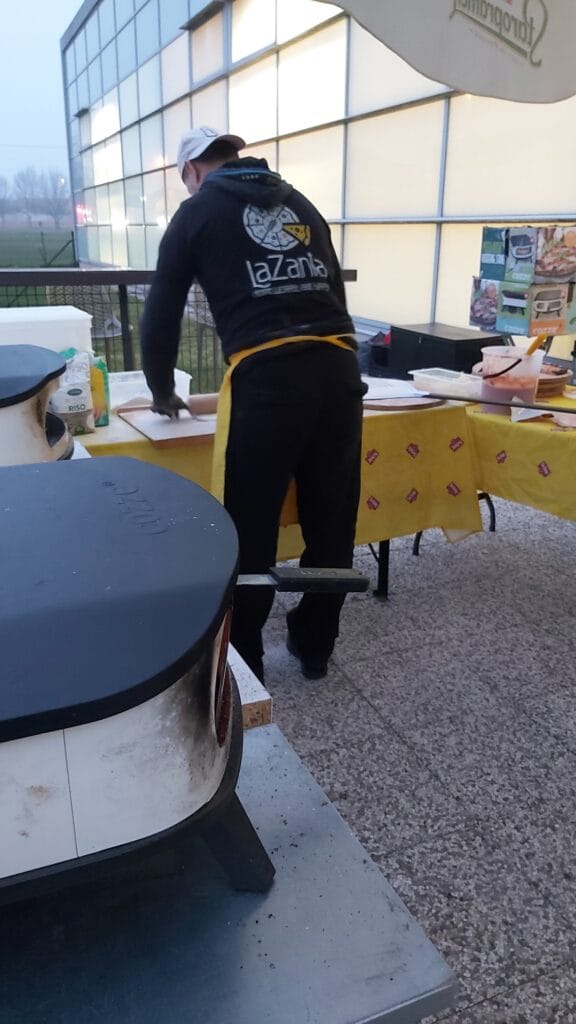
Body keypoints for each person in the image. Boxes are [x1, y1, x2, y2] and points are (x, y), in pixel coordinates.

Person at [140, 126, 364, 683]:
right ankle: (316, 646)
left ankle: (247, 661)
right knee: (332, 520)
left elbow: (161, 310)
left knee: (251, 526)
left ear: (191, 171)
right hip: (339, 371)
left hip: (268, 380)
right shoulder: (300, 203)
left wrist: (162, 389)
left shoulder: (197, 212)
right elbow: (335, 290)